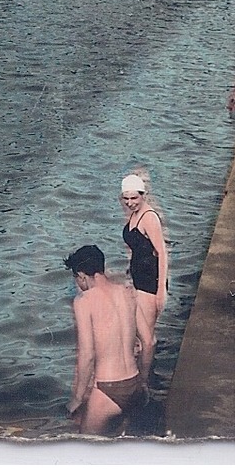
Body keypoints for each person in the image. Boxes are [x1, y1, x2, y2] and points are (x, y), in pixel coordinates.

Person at [64, 244, 144, 435]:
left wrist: (77, 399)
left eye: (76, 279)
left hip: (109, 389)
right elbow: (145, 342)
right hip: (134, 383)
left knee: (85, 446)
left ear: (81, 276)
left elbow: (87, 355)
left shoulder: (84, 301)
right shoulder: (127, 292)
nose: (78, 285)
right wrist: (144, 381)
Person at [119, 174, 168, 384]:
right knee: (143, 337)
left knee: (146, 339)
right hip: (139, 280)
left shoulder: (149, 217)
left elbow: (162, 253)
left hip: (150, 283)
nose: (130, 203)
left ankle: (144, 384)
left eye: (134, 198)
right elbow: (137, 250)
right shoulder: (133, 214)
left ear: (143, 195)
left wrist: (161, 290)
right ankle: (146, 375)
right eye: (126, 199)